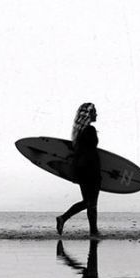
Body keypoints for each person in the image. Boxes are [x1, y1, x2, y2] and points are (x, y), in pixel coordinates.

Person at [56, 102, 101, 238]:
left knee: (89, 202)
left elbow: (80, 153)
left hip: (81, 171)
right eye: (94, 112)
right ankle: (64, 218)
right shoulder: (89, 131)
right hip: (91, 170)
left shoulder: (78, 134)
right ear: (88, 114)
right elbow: (91, 153)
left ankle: (93, 231)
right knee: (91, 203)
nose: (96, 114)